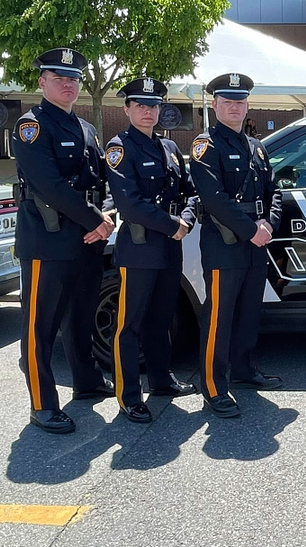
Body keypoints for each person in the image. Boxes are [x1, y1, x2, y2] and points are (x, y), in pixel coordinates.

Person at [11, 47, 117, 435]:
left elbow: (103, 181)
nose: (68, 84)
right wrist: (96, 220)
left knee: (81, 316)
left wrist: (106, 216)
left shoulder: (86, 128)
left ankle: (87, 382)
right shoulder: (32, 126)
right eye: (59, 78)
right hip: (48, 240)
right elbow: (49, 185)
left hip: (87, 239)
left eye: (73, 79)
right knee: (40, 326)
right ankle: (42, 404)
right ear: (42, 83)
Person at [103, 77, 200, 424]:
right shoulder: (119, 148)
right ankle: (129, 396)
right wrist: (174, 225)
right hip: (140, 248)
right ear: (127, 109)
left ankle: (161, 380)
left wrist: (186, 218)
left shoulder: (169, 147)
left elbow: (189, 192)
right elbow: (129, 204)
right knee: (130, 325)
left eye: (154, 105)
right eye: (141, 105)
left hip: (170, 247)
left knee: (161, 319)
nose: (148, 111)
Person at [188, 72, 284, 418]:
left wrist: (269, 223)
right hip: (225, 244)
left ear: (247, 106)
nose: (234, 107)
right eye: (227, 101)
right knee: (219, 316)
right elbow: (214, 199)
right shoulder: (206, 146)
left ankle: (243, 370)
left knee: (248, 312)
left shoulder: (256, 147)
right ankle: (213, 386)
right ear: (215, 105)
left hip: (255, 241)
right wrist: (250, 230)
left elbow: (274, 191)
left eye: (239, 102)